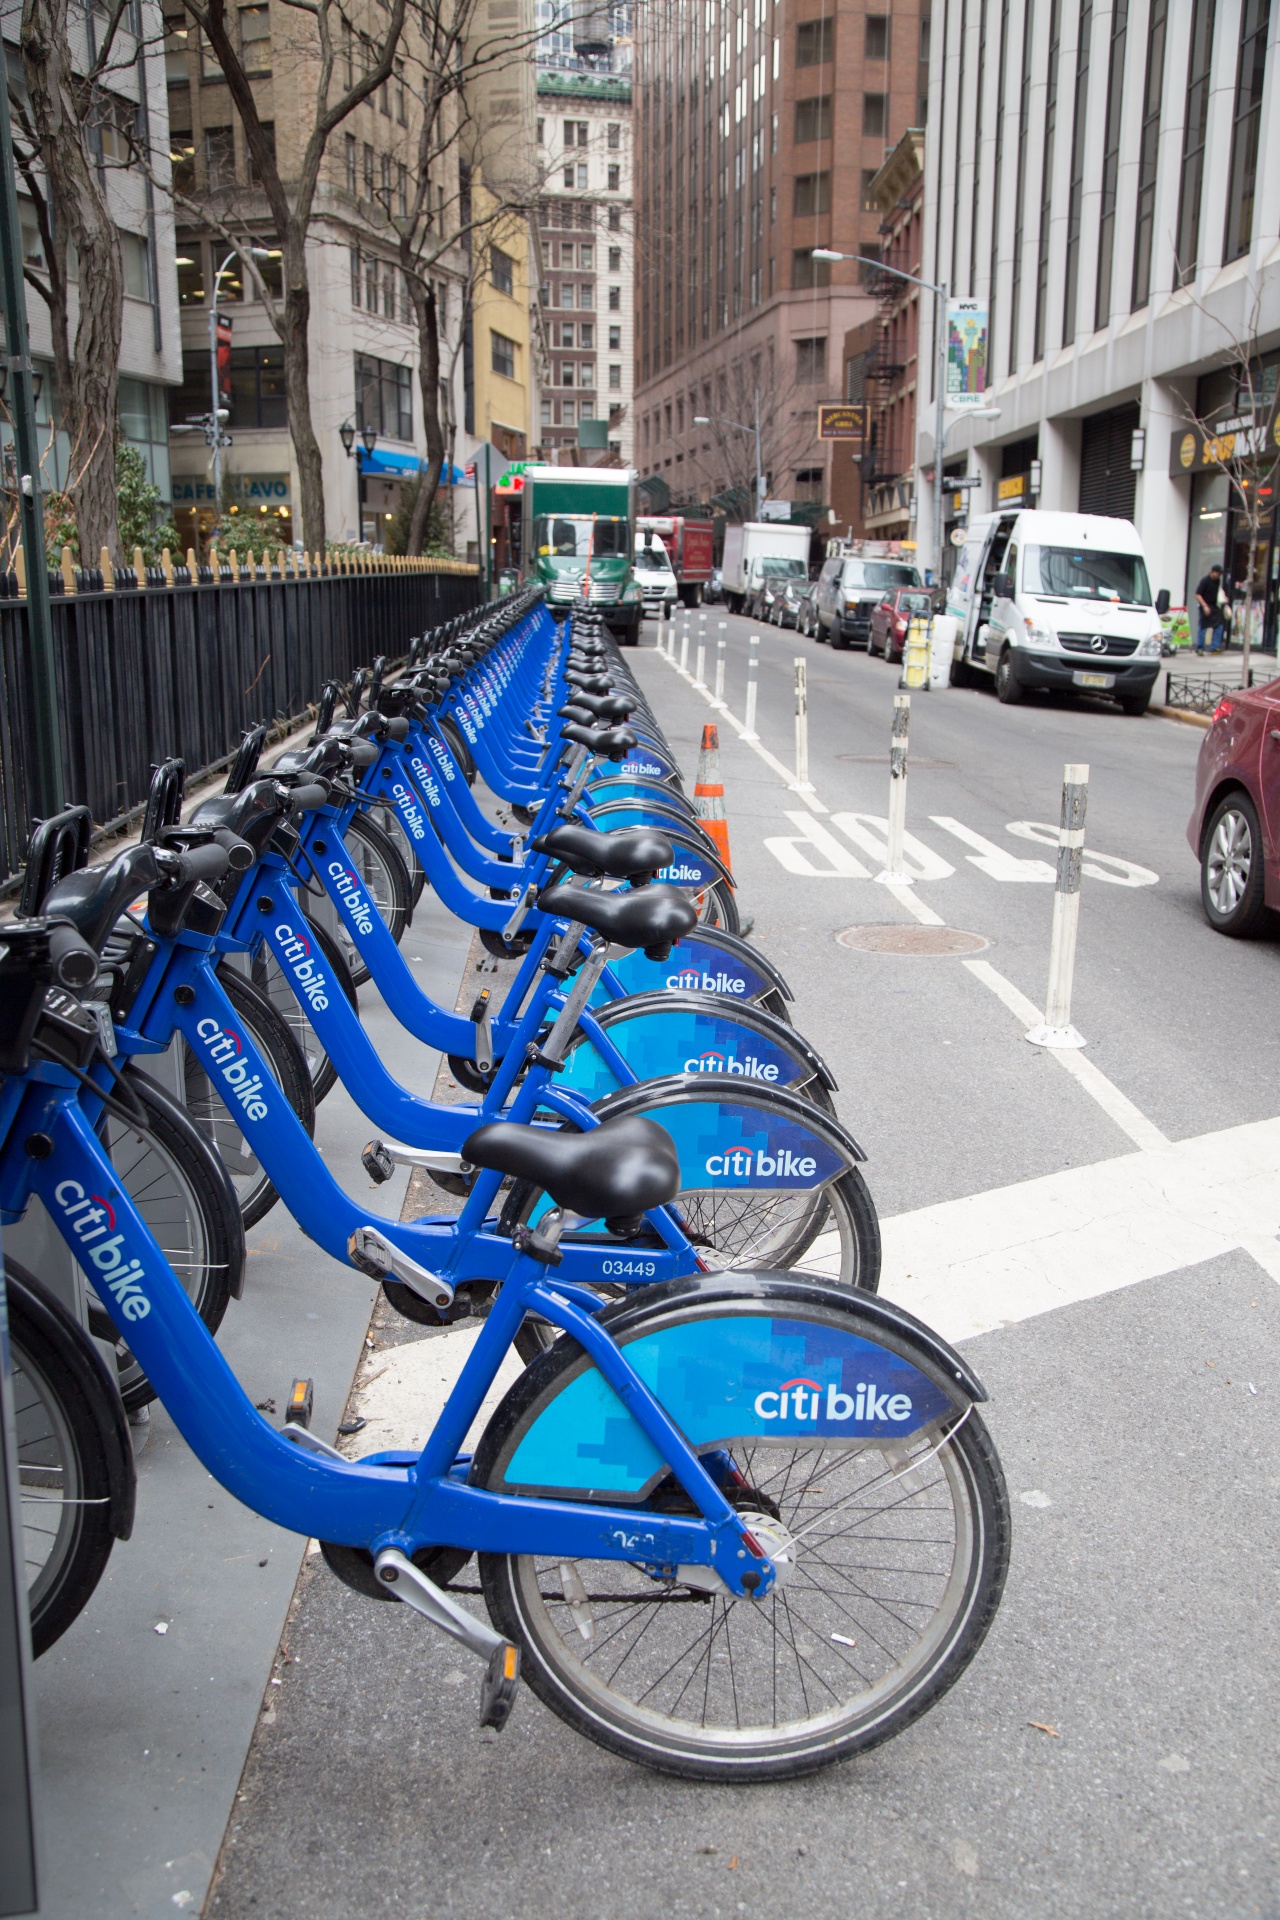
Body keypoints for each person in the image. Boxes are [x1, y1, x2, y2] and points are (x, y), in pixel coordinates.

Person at [1194, 565, 1225, 654]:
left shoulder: (1217, 581)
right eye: (1218, 573)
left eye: (1220, 574)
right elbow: (1198, 594)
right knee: (1203, 627)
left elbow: (1218, 592)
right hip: (1205, 605)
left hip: (1214, 606)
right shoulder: (1205, 581)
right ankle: (1200, 647)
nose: (1219, 575)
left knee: (1218, 626)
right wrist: (1204, 606)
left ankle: (1214, 646)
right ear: (1213, 571)